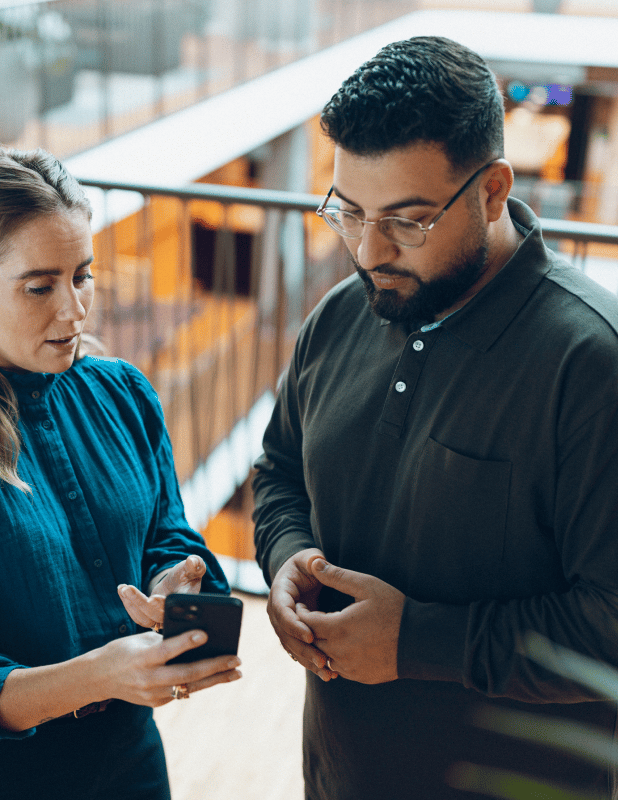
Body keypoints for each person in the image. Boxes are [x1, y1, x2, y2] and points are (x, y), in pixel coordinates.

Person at [252, 35, 618, 800]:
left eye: (407, 220)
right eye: (348, 212)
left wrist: (416, 642)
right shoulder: (340, 313)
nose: (369, 249)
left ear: (491, 191)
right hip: (339, 774)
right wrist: (287, 556)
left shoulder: (591, 365)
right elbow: (280, 469)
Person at [0, 145, 241, 800]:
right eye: (39, 286)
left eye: (81, 276)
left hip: (129, 762)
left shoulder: (123, 394)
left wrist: (177, 585)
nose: (74, 310)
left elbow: (169, 537)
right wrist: (98, 676)